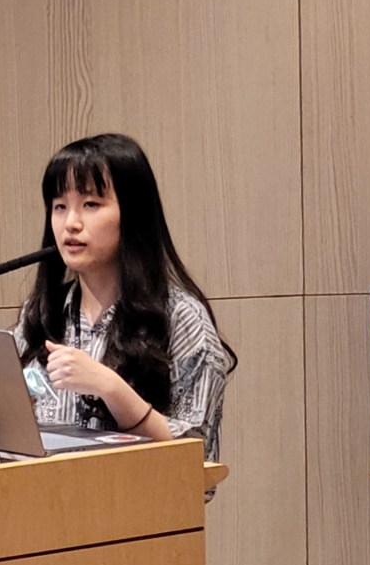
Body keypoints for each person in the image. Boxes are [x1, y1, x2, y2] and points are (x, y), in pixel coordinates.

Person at [16, 133, 237, 464]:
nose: (70, 224)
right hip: (50, 494)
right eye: (60, 206)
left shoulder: (182, 318)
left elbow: (198, 460)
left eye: (91, 204)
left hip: (142, 498)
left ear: (132, 213)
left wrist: (111, 388)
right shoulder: (43, 313)